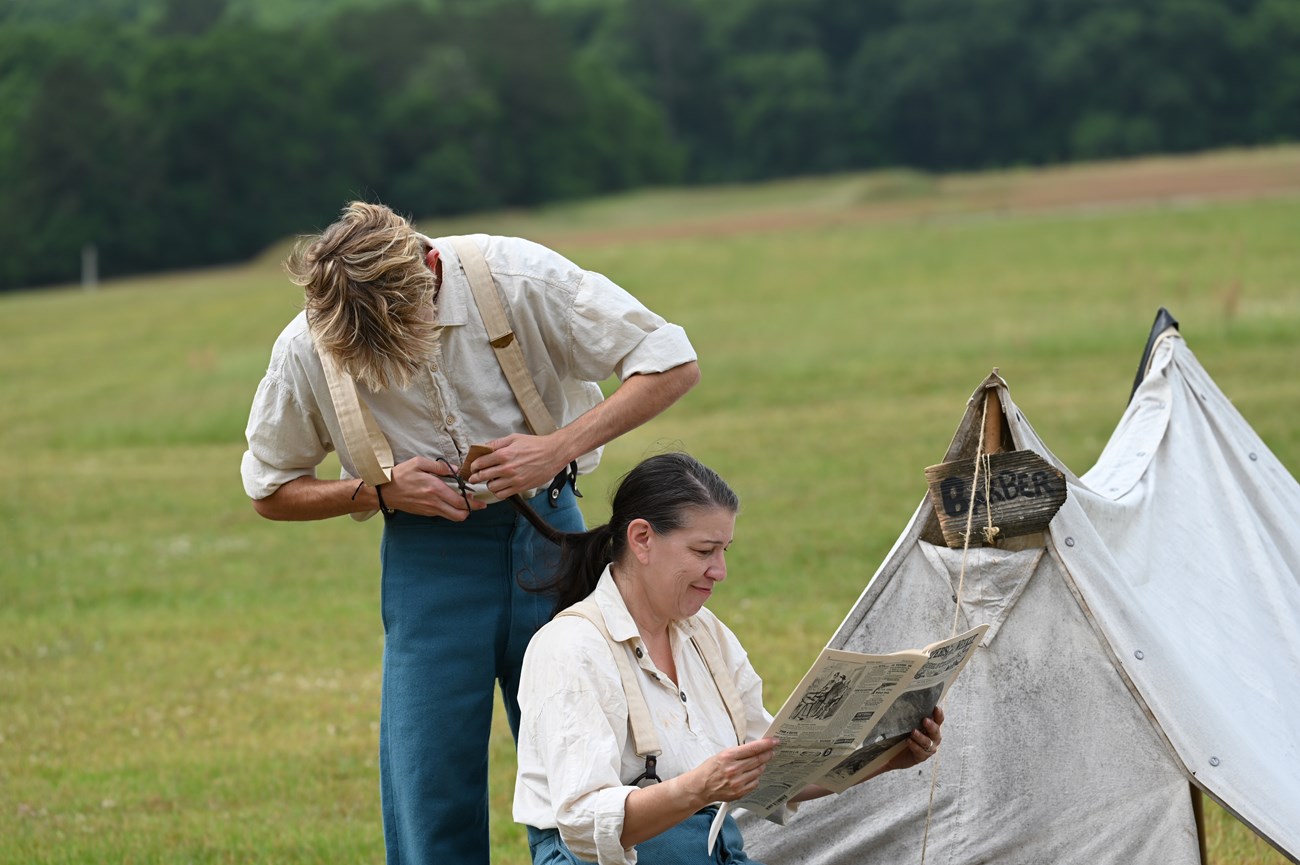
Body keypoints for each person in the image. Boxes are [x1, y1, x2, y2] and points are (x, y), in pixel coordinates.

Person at [239, 201, 701, 865]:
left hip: (553, 540)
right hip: (427, 564)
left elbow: (672, 360)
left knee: (587, 764)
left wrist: (555, 447)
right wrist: (375, 490)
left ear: (430, 271)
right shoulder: (310, 342)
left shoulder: (519, 277)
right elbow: (270, 488)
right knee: (429, 780)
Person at [513, 453, 945, 864]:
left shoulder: (706, 634)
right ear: (642, 539)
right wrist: (697, 789)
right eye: (703, 552)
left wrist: (883, 758)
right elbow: (584, 825)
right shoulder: (570, 648)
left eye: (725, 551)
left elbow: (771, 774)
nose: (720, 571)